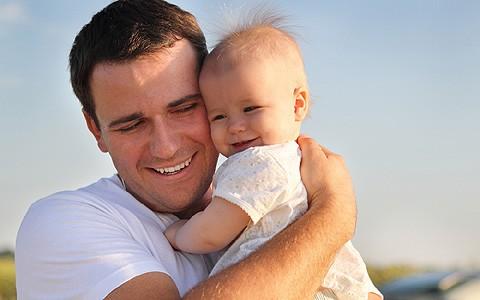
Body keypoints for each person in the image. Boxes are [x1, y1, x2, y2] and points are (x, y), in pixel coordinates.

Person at [15, 1, 358, 299]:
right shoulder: (62, 223)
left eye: (184, 109)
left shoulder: (260, 201)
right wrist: (334, 213)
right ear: (96, 130)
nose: (165, 147)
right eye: (132, 124)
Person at [164, 16, 382, 300]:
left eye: (251, 108)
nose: (235, 126)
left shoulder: (260, 162)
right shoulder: (299, 163)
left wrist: (176, 233)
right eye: (219, 116)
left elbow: (212, 231)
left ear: (297, 104)